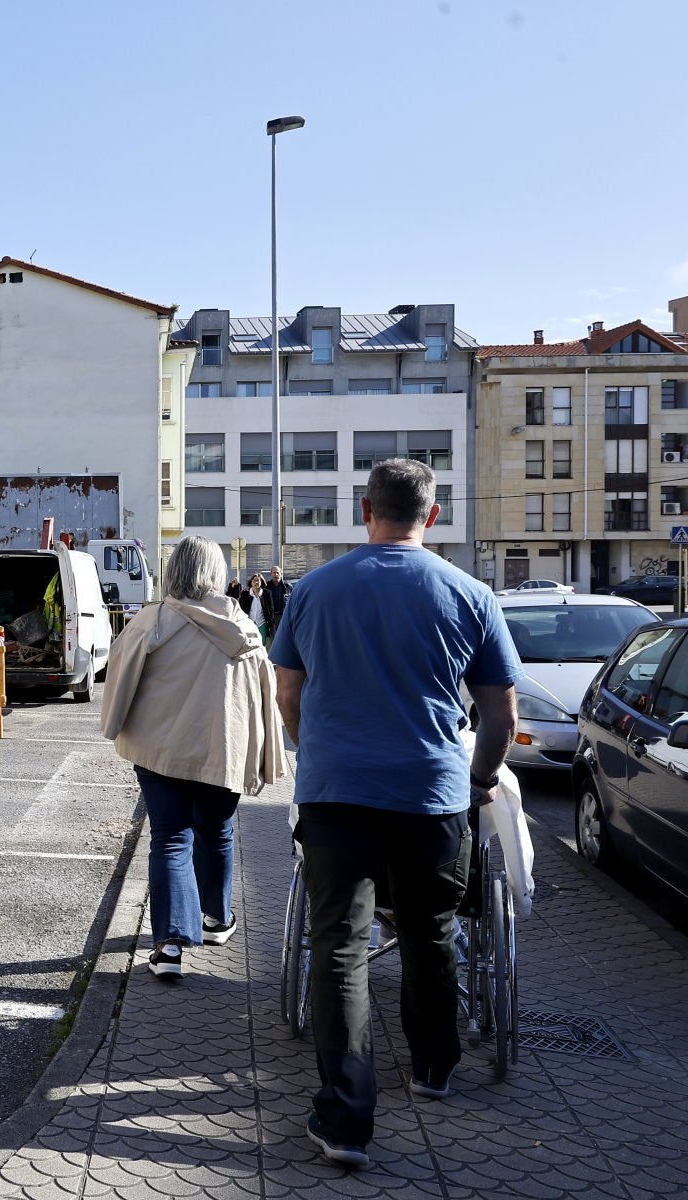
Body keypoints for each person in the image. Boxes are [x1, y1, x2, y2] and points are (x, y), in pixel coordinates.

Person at [270, 459, 519, 1170]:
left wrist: (315, 748)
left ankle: (346, 1119)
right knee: (430, 932)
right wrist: (479, 780)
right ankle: (436, 1068)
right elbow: (500, 714)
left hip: (337, 792)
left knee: (340, 946)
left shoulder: (314, 590)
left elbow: (289, 694)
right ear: (432, 516)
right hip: (431, 796)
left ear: (364, 508)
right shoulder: (470, 594)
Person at [101, 536, 286, 979]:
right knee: (217, 831)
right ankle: (218, 920)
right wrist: (265, 755)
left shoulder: (153, 621)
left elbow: (118, 681)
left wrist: (113, 725)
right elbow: (264, 697)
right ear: (217, 573)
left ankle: (169, 947)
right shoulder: (242, 628)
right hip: (224, 752)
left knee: (170, 839)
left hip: (161, 751)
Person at [262, 564, 291, 639]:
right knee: (272, 638)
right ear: (271, 574)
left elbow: (293, 602)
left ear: (281, 574)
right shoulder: (266, 586)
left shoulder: (288, 587)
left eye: (277, 572)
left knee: (284, 637)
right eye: (274, 573)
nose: (276, 574)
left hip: (283, 616)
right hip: (270, 616)